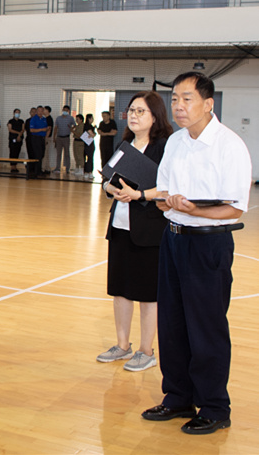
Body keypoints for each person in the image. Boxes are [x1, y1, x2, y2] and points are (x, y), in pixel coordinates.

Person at [142, 72, 252, 435]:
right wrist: (167, 202)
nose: (178, 106)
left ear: (208, 104)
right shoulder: (175, 142)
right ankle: (178, 397)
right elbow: (164, 194)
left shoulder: (229, 145)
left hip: (208, 243)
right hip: (173, 239)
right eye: (174, 99)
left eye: (186, 99)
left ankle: (215, 406)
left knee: (206, 326)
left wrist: (195, 211)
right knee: (172, 323)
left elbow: (235, 208)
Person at [97, 91, 173, 372]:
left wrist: (139, 194)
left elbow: (167, 187)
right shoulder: (125, 144)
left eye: (141, 111)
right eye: (131, 110)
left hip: (149, 230)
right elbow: (107, 179)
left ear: (155, 116)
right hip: (120, 227)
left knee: (148, 293)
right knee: (120, 289)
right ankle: (122, 345)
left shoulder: (163, 147)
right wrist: (111, 188)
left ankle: (146, 351)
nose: (134, 115)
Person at [53, 105, 75, 173]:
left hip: (66, 138)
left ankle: (67, 168)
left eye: (66, 110)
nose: (64, 111)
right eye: (64, 110)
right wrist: (54, 137)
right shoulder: (58, 118)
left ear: (68, 111)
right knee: (58, 154)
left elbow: (75, 125)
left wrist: (71, 129)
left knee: (67, 154)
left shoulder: (71, 118)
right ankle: (57, 168)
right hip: (59, 137)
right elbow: (56, 128)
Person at [28, 106, 48, 177]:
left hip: (42, 138)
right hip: (36, 138)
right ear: (36, 111)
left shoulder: (44, 119)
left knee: (42, 154)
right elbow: (31, 130)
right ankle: (37, 171)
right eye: (39, 111)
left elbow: (46, 128)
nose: (40, 112)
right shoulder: (33, 119)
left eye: (41, 111)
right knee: (38, 155)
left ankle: (39, 170)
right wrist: (41, 129)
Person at [7, 108, 24, 173]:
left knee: (17, 152)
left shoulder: (21, 121)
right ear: (14, 113)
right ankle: (12, 166)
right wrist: (18, 133)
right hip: (12, 139)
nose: (17, 114)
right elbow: (10, 129)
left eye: (18, 113)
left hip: (19, 139)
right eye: (16, 113)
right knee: (12, 152)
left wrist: (19, 135)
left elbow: (23, 129)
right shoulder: (11, 121)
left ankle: (15, 166)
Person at [83, 114, 96, 179]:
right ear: (89, 119)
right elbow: (92, 135)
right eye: (92, 118)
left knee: (87, 158)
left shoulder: (89, 126)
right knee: (90, 158)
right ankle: (89, 172)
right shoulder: (88, 126)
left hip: (86, 144)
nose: (92, 119)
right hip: (89, 144)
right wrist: (94, 134)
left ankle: (87, 171)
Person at [42, 105, 54, 174]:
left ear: (47, 111)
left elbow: (49, 129)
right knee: (45, 153)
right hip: (45, 137)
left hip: (47, 138)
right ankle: (47, 168)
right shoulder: (45, 118)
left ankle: (44, 168)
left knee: (45, 153)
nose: (43, 111)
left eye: (44, 109)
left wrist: (46, 138)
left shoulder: (49, 119)